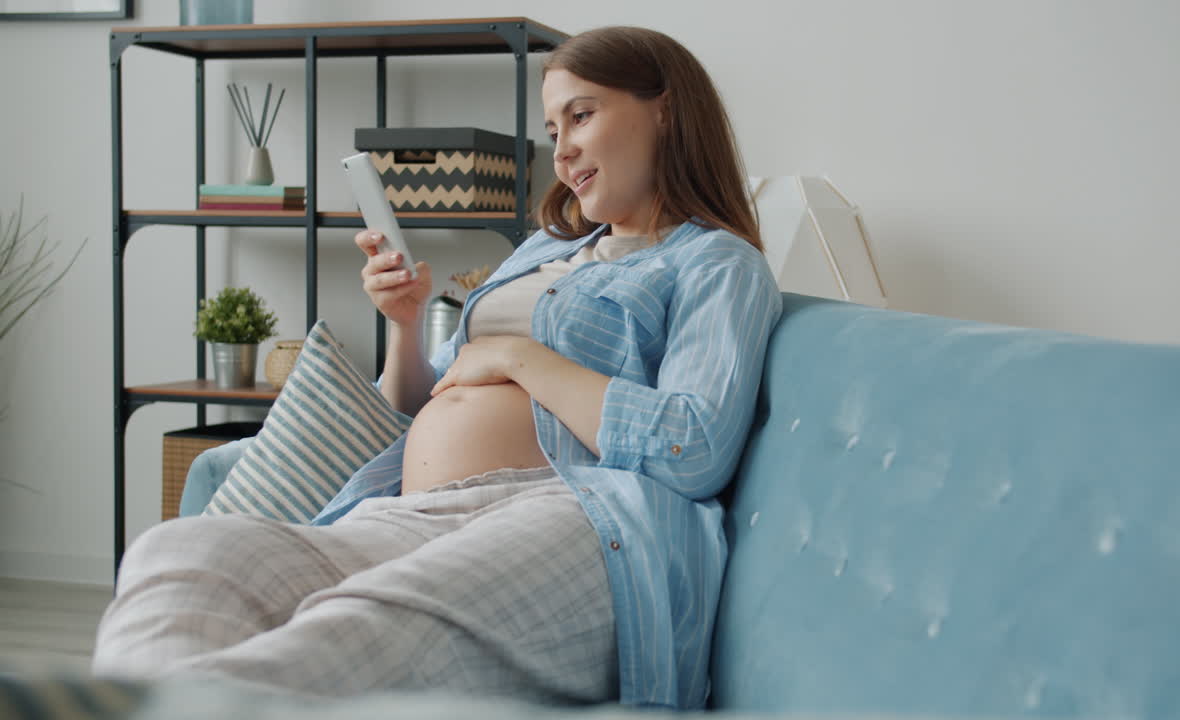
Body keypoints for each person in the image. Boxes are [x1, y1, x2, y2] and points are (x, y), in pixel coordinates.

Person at [93, 25, 782, 710]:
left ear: (664, 108)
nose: (563, 149)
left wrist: (520, 356)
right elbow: (428, 397)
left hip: (573, 521)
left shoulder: (716, 263)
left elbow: (693, 447)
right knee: (181, 556)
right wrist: (406, 325)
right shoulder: (544, 248)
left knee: (351, 632)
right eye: (552, 127)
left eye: (582, 115)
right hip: (411, 516)